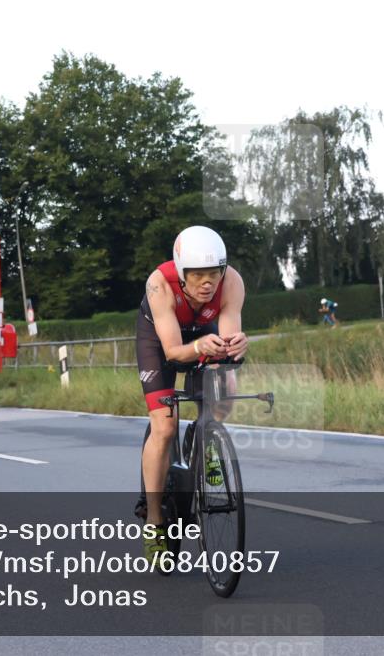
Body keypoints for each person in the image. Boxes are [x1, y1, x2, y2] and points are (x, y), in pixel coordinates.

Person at [135, 226, 248, 563]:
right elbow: (172, 351)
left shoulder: (233, 282)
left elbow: (228, 342)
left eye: (213, 273)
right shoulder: (159, 284)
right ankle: (155, 522)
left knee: (226, 385)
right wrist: (197, 346)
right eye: (197, 275)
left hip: (204, 330)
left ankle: (208, 447)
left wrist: (237, 347)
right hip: (160, 339)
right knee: (165, 426)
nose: (207, 282)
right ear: (182, 273)